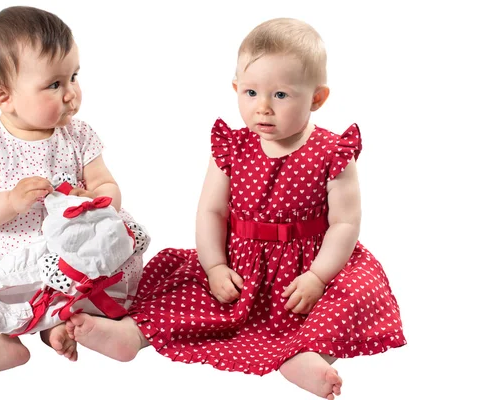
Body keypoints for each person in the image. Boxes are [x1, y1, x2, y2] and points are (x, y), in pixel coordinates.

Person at [65, 17, 406, 400]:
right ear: (235, 89)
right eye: (250, 93)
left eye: (280, 95)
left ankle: (306, 355)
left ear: (316, 98)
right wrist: (214, 267)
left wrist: (318, 277)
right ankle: (135, 334)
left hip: (309, 269)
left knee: (357, 293)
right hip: (239, 267)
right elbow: (212, 212)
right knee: (180, 290)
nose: (263, 107)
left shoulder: (332, 153)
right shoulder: (233, 147)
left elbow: (345, 223)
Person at [0, 6, 147, 375]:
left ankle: (58, 327)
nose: (71, 93)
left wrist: (94, 199)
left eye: (74, 76)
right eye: (54, 84)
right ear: (3, 96)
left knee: (89, 272)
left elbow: (107, 184)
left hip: (68, 243)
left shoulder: (79, 135)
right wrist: (10, 201)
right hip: (4, 243)